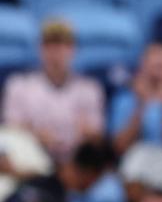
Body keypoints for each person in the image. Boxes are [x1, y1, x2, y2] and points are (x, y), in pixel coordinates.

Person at [1, 19, 104, 164]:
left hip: (76, 163)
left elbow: (96, 135)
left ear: (72, 49)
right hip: (32, 159)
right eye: (49, 45)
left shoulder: (89, 88)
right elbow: (10, 132)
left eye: (62, 45)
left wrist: (83, 136)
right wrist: (35, 135)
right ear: (40, 49)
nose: (55, 53)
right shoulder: (19, 85)